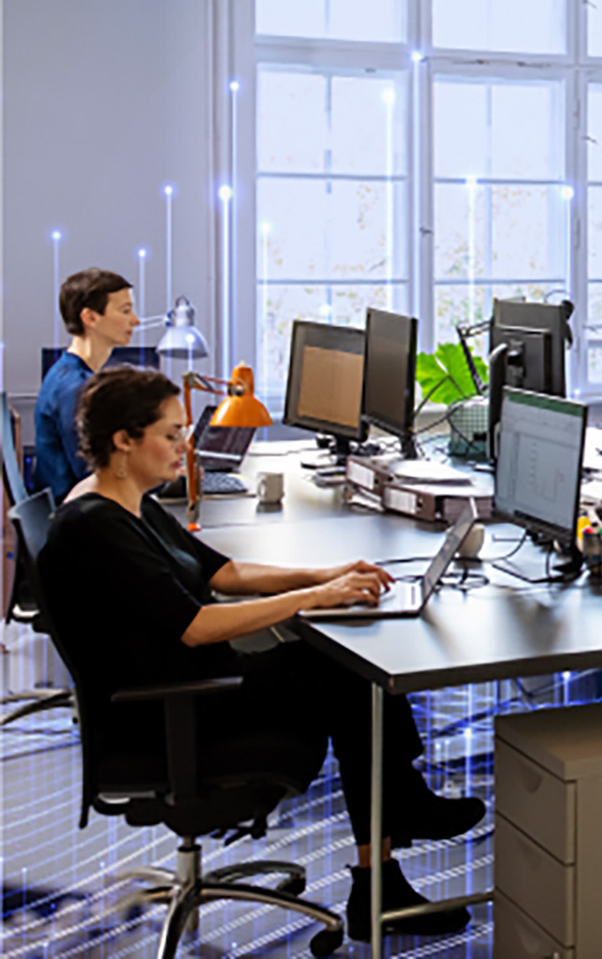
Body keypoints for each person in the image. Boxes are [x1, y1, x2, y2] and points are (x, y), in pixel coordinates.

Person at [38, 367, 483, 943]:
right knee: (349, 680)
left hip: (185, 684)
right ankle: (392, 845)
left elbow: (226, 571)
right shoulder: (97, 525)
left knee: (344, 670)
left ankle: (392, 840)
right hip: (167, 715)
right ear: (124, 440)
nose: (186, 446)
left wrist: (328, 574)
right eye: (171, 435)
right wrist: (317, 597)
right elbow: (196, 627)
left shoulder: (129, 501)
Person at [34, 269, 141, 502]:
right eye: (125, 311)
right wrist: (163, 478)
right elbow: (97, 474)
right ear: (90, 318)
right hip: (81, 520)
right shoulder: (75, 387)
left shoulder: (67, 373)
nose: (136, 320)